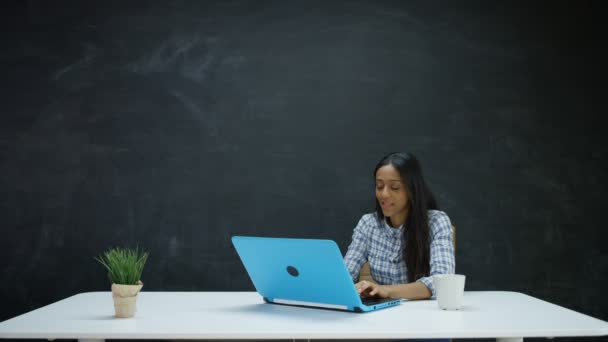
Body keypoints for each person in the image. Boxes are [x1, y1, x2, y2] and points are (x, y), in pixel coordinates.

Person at [344, 152, 455, 301]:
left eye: (395, 187)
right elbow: (345, 274)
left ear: (412, 190)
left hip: (425, 315)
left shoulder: (436, 222)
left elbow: (442, 283)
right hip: (382, 315)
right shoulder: (368, 224)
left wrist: (386, 290)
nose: (384, 194)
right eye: (379, 186)